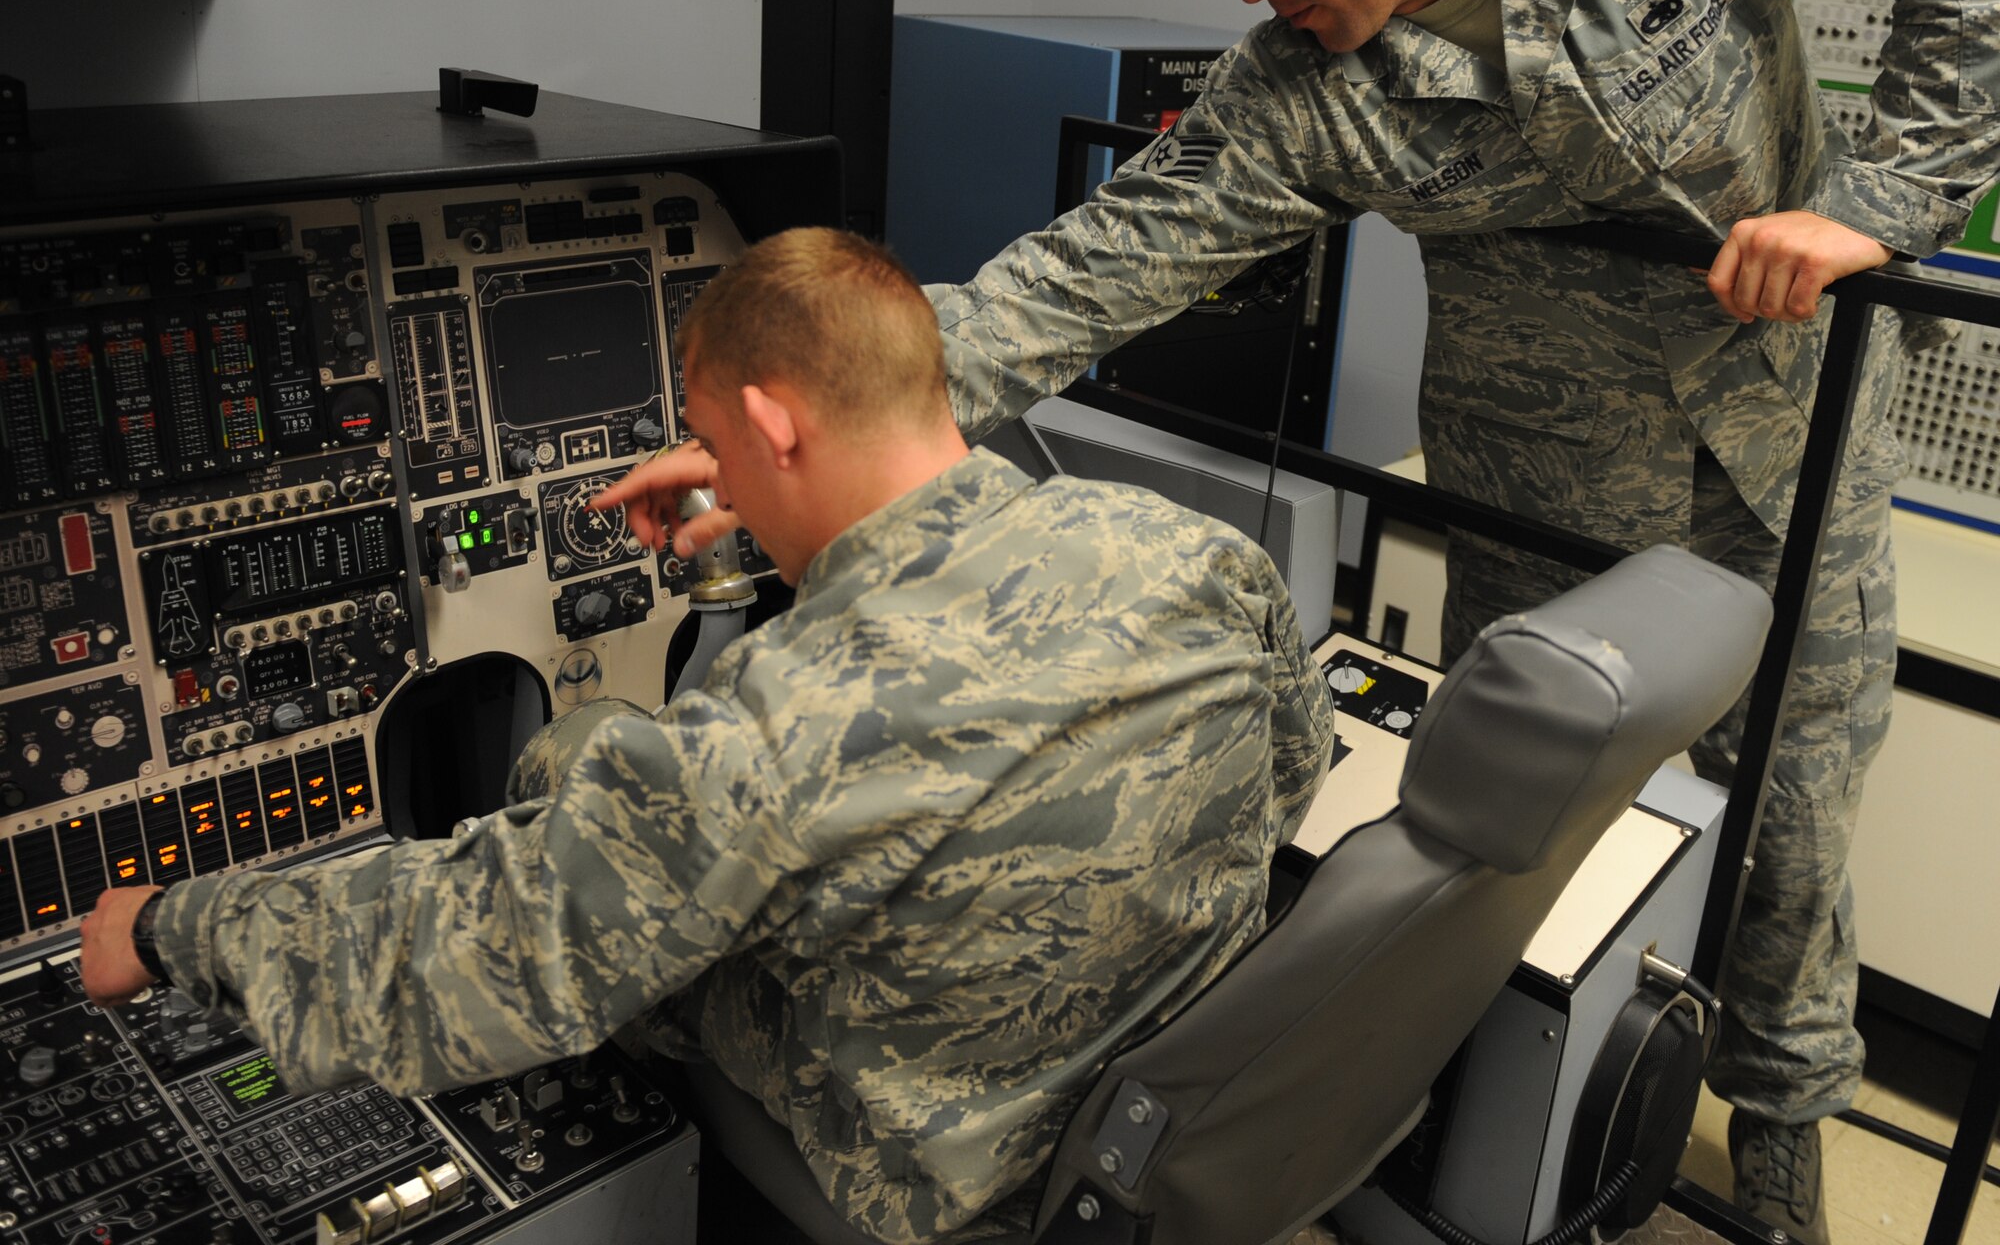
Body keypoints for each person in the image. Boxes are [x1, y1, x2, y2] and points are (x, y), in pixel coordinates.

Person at [859, 0, 1998, 1245]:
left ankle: (1784, 1156)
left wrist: (1879, 199)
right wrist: (832, 421)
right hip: (1544, 501)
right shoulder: (1301, 88)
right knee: (1516, 851)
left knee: (1792, 841)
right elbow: (1093, 270)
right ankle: (1469, 1151)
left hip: (1789, 459)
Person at [80, 227, 1336, 1245]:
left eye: (723, 446)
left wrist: (167, 926)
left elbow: (467, 957)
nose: (716, 483)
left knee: (576, 762)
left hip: (947, 1176)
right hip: (1165, 1082)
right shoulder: (1192, 549)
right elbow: (1293, 767)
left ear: (775, 424)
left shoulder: (767, 737)